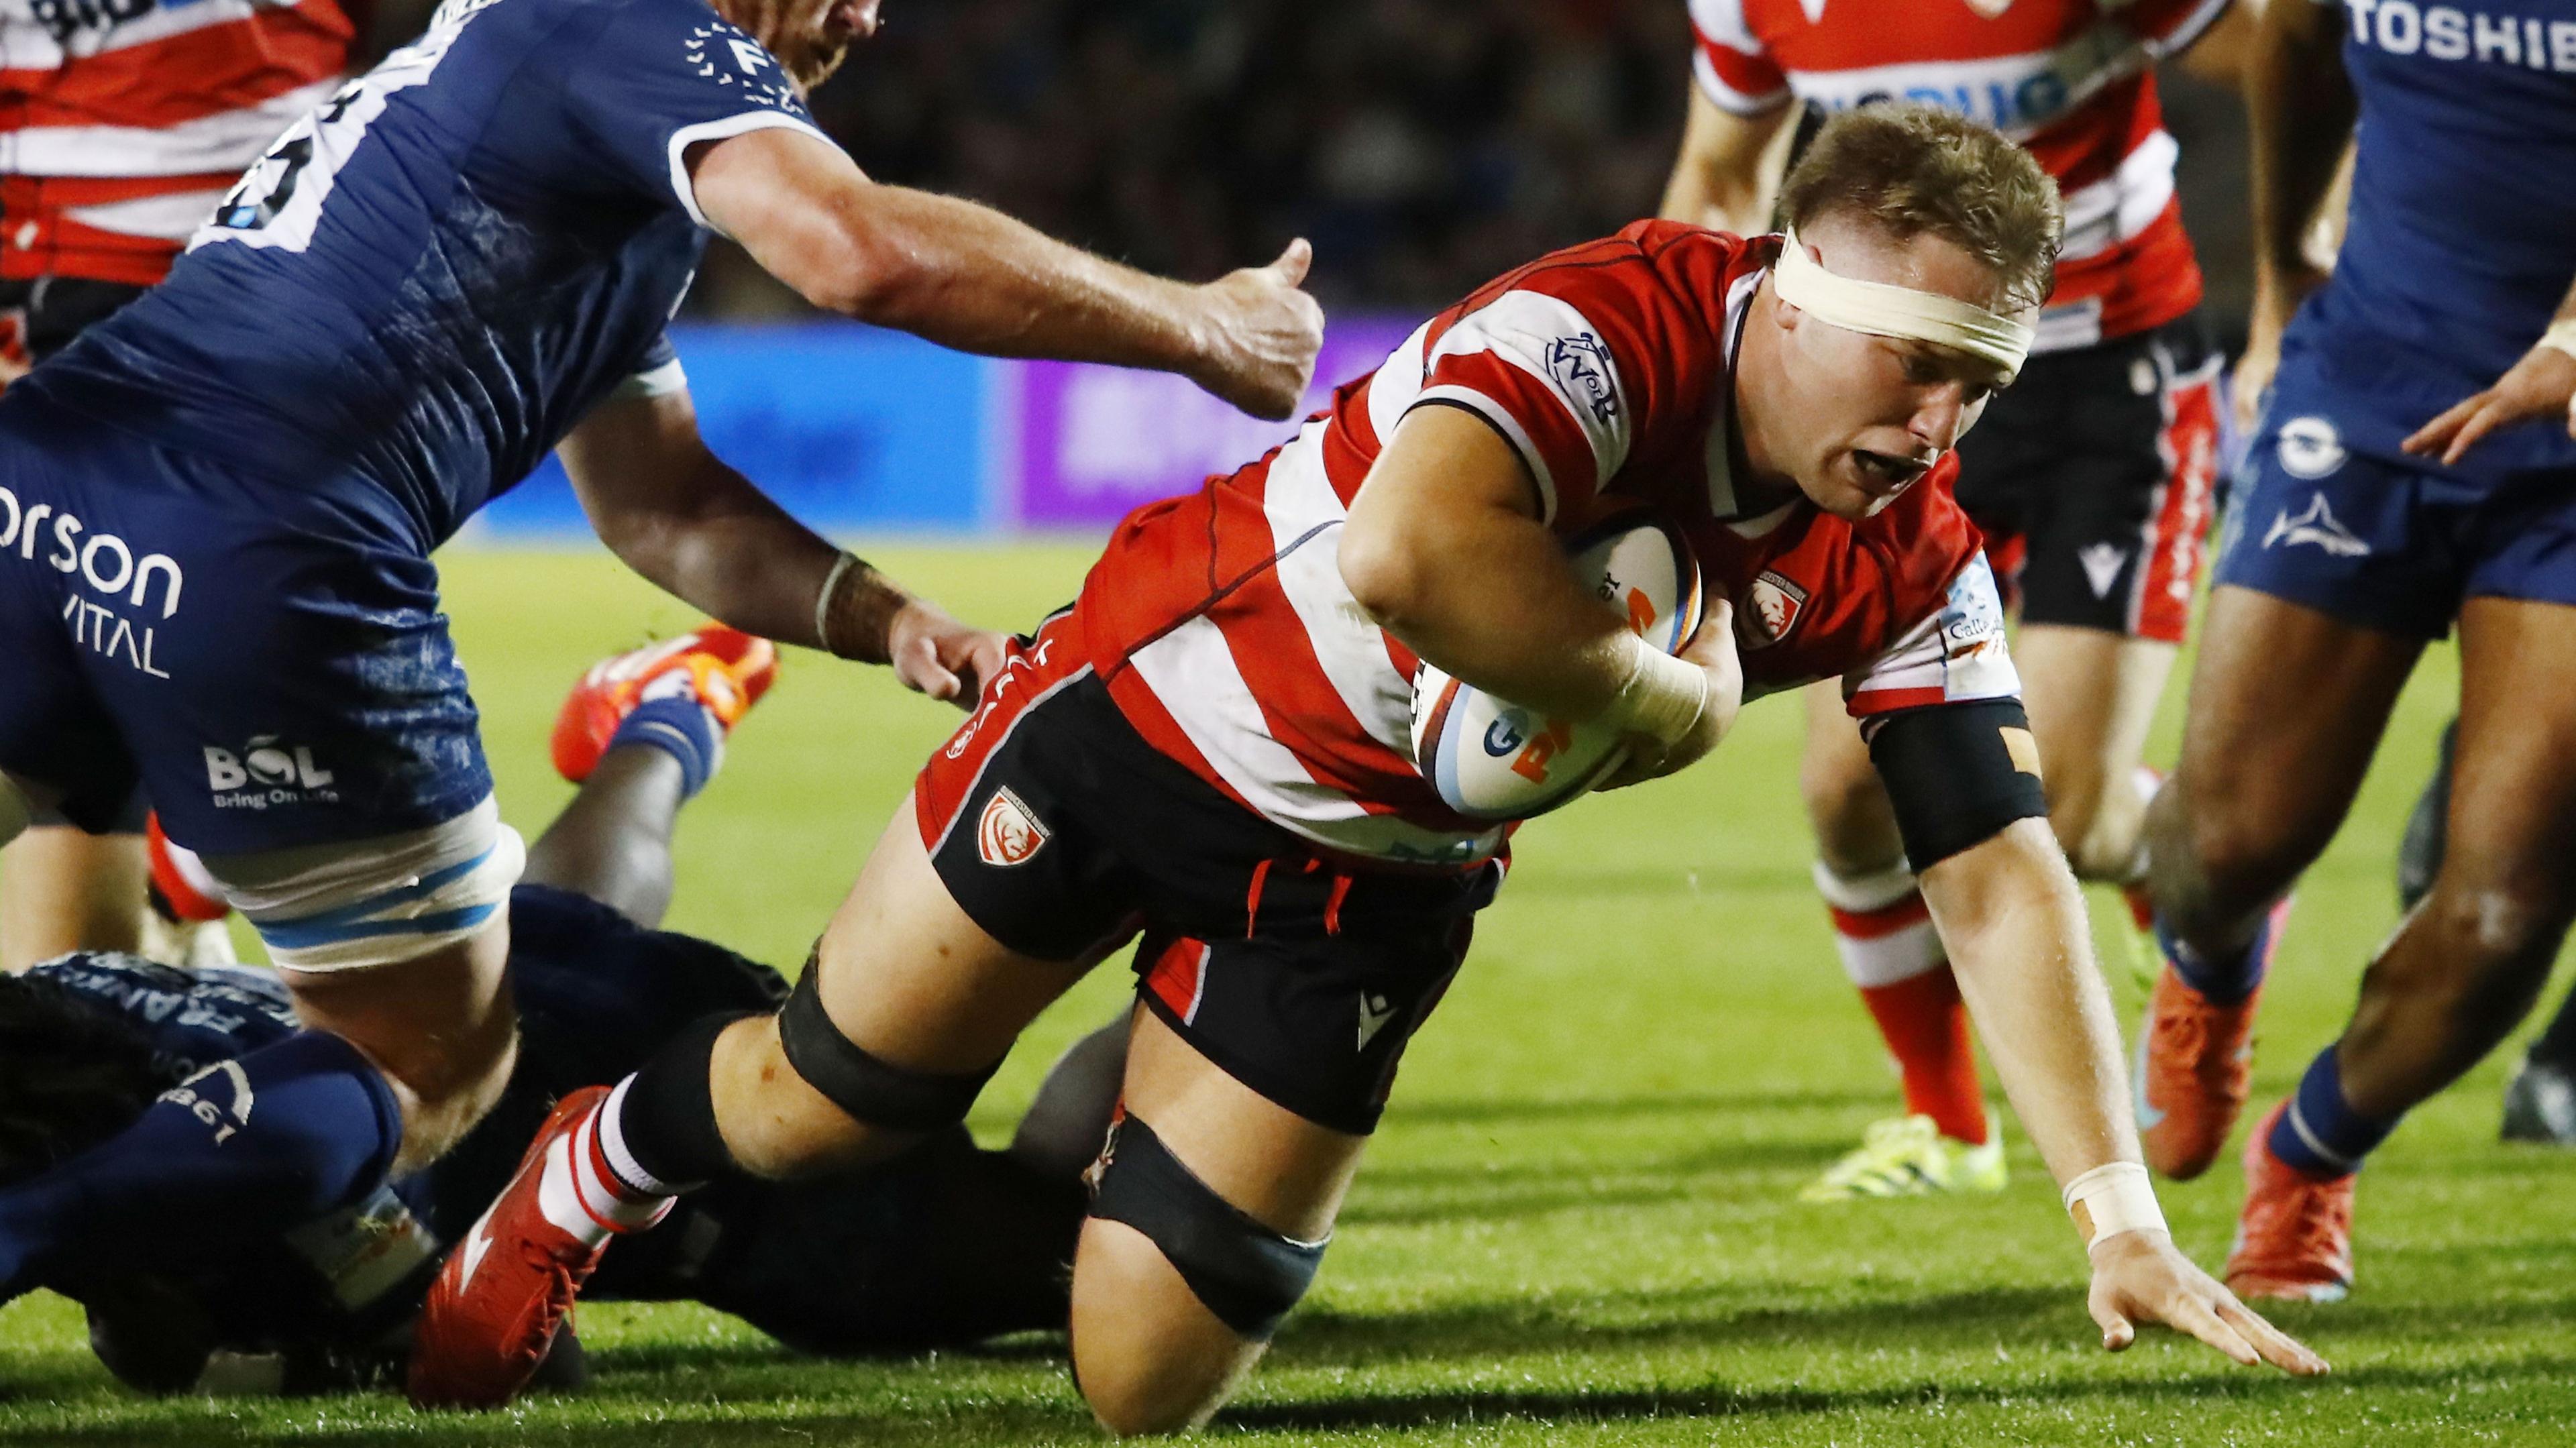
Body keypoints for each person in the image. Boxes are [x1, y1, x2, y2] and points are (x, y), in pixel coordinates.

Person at [423, 105, 2324, 1426]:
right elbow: (1421, 550)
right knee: (826, 1102)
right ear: (1786, 289)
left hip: (1366, 880)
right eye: (1911, 362)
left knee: (1138, 1386)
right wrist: (1660, 704)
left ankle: (1163, 1068)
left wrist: (2118, 1215)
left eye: (1980, 382)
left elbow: (1993, 864)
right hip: (1150, 713)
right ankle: (579, 1179)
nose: (1937, 422)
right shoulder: (1609, 321)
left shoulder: (1912, 550)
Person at [0, 0, 1325, 1340]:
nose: (864, 14)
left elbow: (660, 504)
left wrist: (892, 620)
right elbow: (859, 253)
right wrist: (1209, 329)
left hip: (47, 475)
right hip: (263, 548)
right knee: (425, 1059)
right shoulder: (625, 21)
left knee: (82, 937)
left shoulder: (542, 126)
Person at [0, 626, 1120, 1394]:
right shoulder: (51, 999)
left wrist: (249, 1350)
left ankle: (1233, 983)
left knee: (1094, 1256)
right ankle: (674, 707)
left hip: (687, 1130)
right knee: (553, 924)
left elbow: (523, 1341)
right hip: (508, 978)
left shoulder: (197, 1180)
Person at [1662, 0, 2242, 1202]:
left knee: (2066, 819)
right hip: (1888, 376)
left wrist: (2298, 266)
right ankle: (1948, 1126)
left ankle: (2212, 867)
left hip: (2108, 383)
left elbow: (2286, 53)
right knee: (1844, 793)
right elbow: (1719, 180)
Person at [2138, 0, 2576, 1300]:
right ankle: (2213, 963)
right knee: (2223, 842)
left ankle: (2313, 1151)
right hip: (2375, 381)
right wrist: (2284, 268)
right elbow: (2290, 37)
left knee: (2503, 913)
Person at [0, 0, 393, 972]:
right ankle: (186, 868)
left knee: (80, 666)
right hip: (60, 195)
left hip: (206, 214)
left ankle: (157, 914)